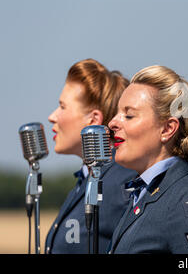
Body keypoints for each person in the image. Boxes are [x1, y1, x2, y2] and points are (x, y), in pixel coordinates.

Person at [107, 65, 188, 254]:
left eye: (129, 115)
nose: (112, 123)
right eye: (117, 113)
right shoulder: (142, 196)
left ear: (167, 129)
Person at [45, 59, 137, 254]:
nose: (52, 116)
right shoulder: (89, 178)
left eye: (62, 107)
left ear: (93, 120)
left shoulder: (124, 183)